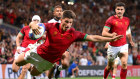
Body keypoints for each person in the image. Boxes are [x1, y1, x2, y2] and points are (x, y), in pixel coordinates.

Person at [15, 10, 123, 76]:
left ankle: (30, 66)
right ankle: (28, 54)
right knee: (18, 63)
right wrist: (33, 25)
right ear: (61, 20)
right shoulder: (51, 26)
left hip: (48, 62)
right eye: (66, 21)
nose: (68, 24)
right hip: (37, 52)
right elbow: (36, 25)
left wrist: (109, 39)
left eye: (71, 22)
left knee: (33, 73)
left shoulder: (74, 34)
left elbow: (92, 37)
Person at [102, 2, 135, 79]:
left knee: (124, 64)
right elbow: (103, 33)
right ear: (115, 10)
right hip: (113, 46)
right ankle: (104, 78)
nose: (119, 11)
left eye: (121, 9)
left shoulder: (127, 20)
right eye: (118, 9)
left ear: (124, 10)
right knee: (110, 66)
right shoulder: (110, 20)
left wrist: (130, 40)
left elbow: (128, 31)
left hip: (123, 45)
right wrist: (111, 35)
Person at [12, 15, 42, 79]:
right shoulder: (25, 28)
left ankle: (30, 69)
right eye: (34, 20)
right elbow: (18, 37)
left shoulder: (41, 31)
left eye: (37, 20)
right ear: (32, 21)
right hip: (22, 49)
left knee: (24, 69)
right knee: (14, 69)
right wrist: (18, 47)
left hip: (31, 51)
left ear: (40, 22)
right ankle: (31, 69)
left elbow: (41, 42)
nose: (36, 22)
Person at [47, 5, 71, 79]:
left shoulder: (66, 22)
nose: (59, 12)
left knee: (66, 64)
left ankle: (58, 69)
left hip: (63, 46)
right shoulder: (50, 22)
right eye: (57, 11)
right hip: (53, 47)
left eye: (60, 11)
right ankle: (54, 69)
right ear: (54, 13)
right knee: (50, 71)